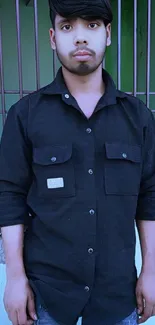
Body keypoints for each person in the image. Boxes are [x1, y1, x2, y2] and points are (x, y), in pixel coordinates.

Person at [0, 0, 155, 324]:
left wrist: (151, 272)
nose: (81, 37)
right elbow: (10, 196)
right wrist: (15, 278)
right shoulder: (25, 116)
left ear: (108, 34)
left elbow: (149, 196)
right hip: (48, 298)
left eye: (92, 25)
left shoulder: (138, 117)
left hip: (117, 296)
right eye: (68, 26)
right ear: (53, 37)